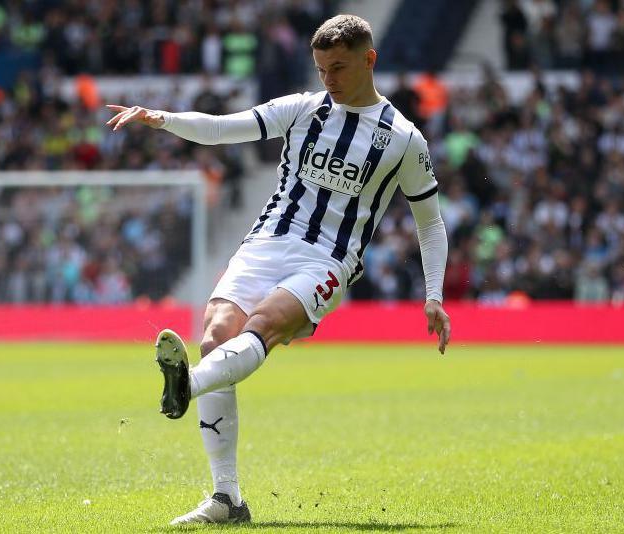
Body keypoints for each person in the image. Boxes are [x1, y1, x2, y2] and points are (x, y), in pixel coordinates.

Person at [106, 14, 451, 525]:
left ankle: (187, 385)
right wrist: (162, 118)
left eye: (337, 68)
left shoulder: (403, 139)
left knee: (263, 325)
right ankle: (227, 498)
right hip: (267, 242)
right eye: (320, 69)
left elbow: (430, 224)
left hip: (329, 258)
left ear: (369, 59)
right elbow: (225, 129)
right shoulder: (302, 109)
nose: (328, 80)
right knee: (215, 337)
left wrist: (434, 295)